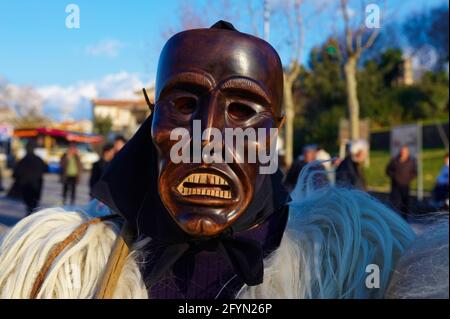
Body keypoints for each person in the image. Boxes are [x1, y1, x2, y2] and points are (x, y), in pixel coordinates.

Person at [0, 21, 447, 299]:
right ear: (151, 115)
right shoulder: (57, 271)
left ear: (276, 128)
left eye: (242, 110)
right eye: (185, 103)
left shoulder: (360, 262)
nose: (207, 136)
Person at [11, 141, 47, 213]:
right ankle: (31, 213)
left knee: (29, 203)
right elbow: (45, 169)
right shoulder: (38, 159)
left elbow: (16, 173)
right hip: (36, 185)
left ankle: (30, 213)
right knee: (33, 203)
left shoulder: (23, 160)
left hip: (26, 185)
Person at [386, 145, 417, 217]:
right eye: (402, 152)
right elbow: (388, 170)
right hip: (395, 186)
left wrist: (409, 178)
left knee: (405, 203)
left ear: (408, 153)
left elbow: (414, 173)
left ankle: (404, 218)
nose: (403, 153)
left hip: (405, 185)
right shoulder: (394, 160)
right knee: (395, 203)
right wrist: (394, 176)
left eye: (405, 152)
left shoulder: (411, 162)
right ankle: (394, 218)